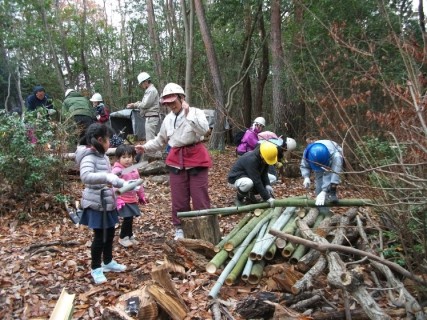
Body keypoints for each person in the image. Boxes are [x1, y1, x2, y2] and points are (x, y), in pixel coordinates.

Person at [134, 83, 212, 240]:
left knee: (200, 198)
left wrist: (188, 114)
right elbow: (161, 140)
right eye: (168, 103)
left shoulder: (196, 112)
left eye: (173, 102)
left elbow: (204, 130)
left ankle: (204, 228)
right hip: (176, 159)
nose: (171, 106)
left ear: (181, 98)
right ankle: (180, 228)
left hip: (196, 157)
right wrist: (145, 147)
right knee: (179, 198)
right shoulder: (168, 119)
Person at [75, 123, 129, 284]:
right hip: (96, 204)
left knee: (110, 233)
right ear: (100, 140)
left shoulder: (103, 156)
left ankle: (108, 262)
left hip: (107, 201)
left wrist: (117, 178)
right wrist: (107, 178)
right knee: (100, 237)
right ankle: (96, 268)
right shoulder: (88, 156)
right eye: (108, 140)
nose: (110, 143)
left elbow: (108, 175)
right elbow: (85, 176)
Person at [111, 144, 147, 247]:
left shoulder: (134, 169)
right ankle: (123, 237)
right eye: (124, 157)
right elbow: (114, 185)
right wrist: (117, 199)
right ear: (118, 158)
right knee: (127, 218)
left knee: (130, 218)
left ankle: (130, 235)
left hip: (132, 198)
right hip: (123, 198)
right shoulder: (117, 171)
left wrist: (141, 196)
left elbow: (138, 183)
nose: (127, 160)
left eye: (129, 157)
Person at [228, 142, 277, 207]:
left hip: (249, 175)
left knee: (272, 178)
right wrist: (267, 198)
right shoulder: (251, 160)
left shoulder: (264, 158)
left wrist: (267, 185)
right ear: (262, 155)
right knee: (248, 183)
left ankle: (250, 194)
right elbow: (257, 181)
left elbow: (264, 173)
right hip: (236, 178)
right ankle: (239, 199)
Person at [127, 72, 161, 159]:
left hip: (152, 117)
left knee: (150, 139)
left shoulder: (151, 90)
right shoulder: (149, 91)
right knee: (152, 138)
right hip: (150, 117)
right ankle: (156, 155)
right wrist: (136, 103)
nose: (141, 86)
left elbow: (145, 104)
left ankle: (152, 156)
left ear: (145, 82)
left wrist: (135, 104)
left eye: (142, 83)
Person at [300, 139, 344, 206]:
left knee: (325, 189)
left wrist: (324, 191)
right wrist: (306, 177)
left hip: (332, 160)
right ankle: (321, 211)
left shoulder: (335, 155)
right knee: (319, 187)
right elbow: (304, 165)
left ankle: (331, 191)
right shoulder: (308, 152)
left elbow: (329, 174)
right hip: (321, 159)